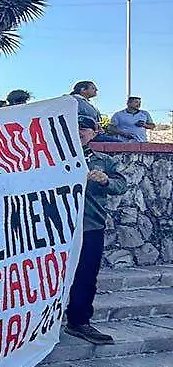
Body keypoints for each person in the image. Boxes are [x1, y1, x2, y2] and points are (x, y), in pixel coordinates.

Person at [65, 115, 129, 345]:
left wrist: (105, 181)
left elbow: (121, 185)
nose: (80, 131)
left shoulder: (104, 161)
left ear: (94, 133)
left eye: (85, 128)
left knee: (85, 276)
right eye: (75, 127)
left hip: (90, 226)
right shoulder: (52, 157)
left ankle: (79, 321)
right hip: (56, 229)